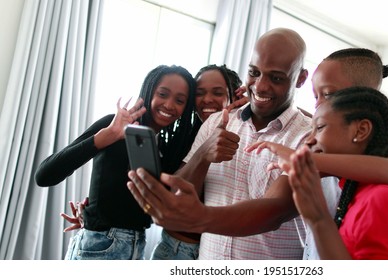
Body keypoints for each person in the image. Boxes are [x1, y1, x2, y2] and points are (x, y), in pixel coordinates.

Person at [127, 27, 312, 259]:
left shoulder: (308, 136)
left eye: (276, 78)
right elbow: (179, 191)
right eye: (254, 73)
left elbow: (276, 210)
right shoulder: (216, 122)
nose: (261, 86)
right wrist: (203, 154)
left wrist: (200, 218)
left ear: (301, 79)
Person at [60, 64, 244, 260]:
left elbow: (154, 198)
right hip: (133, 244)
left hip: (153, 246)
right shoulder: (117, 127)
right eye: (200, 93)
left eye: (180, 100)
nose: (170, 105)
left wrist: (253, 109)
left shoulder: (173, 143)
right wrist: (94, 212)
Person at [245, 48, 388, 259]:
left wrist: (305, 160)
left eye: (328, 94)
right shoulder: (322, 139)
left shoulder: (387, 148)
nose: (319, 104)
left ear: (363, 95)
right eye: (316, 96)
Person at [35, 64, 197, 260]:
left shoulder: (167, 147)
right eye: (163, 94)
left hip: (135, 247)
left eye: (179, 100)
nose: (170, 105)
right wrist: (107, 136)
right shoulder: (112, 125)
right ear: (148, 91)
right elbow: (45, 175)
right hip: (100, 245)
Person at [286, 87, 388, 259]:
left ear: (361, 131)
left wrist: (319, 219)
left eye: (320, 127)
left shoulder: (383, 199)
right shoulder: (351, 192)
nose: (308, 140)